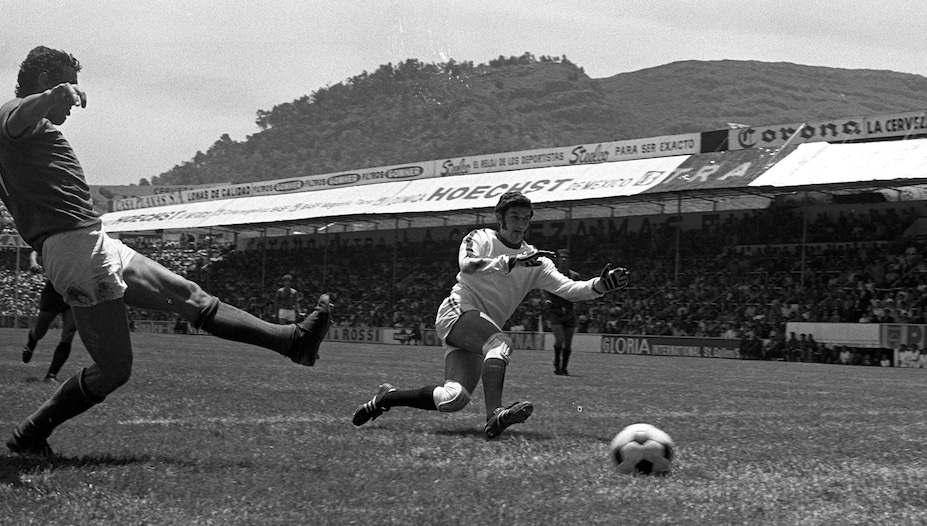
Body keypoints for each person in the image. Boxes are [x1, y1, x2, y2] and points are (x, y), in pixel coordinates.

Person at [0, 46, 332, 457]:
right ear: (44, 78)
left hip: (91, 240)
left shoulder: (31, 130)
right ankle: (30, 433)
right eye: (70, 82)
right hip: (72, 247)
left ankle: (292, 341)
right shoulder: (15, 113)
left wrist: (52, 98)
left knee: (193, 296)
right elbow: (18, 117)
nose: (77, 95)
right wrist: (51, 98)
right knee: (114, 371)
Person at [352, 191, 629, 439]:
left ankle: (385, 397)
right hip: (456, 311)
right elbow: (467, 265)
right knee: (500, 344)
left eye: (525, 219)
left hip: (477, 330)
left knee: (454, 399)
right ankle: (494, 414)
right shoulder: (480, 238)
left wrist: (600, 285)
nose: (520, 223)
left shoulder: (536, 260)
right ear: (500, 218)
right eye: (514, 217)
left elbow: (568, 288)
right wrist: (509, 261)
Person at [21, 250, 79, 383]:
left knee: (69, 332)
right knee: (40, 332)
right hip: (55, 289)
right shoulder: (60, 236)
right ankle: (32, 340)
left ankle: (51, 375)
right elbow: (35, 251)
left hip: (76, 290)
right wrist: (34, 263)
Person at [544, 248, 579, 375]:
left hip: (569, 311)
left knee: (568, 343)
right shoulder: (553, 274)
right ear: (558, 260)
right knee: (560, 339)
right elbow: (544, 287)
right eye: (561, 258)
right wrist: (547, 300)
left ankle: (563, 368)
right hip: (555, 311)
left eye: (566, 258)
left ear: (569, 261)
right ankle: (556, 364)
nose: (564, 260)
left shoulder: (575, 276)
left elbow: (578, 291)